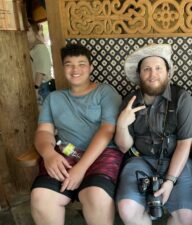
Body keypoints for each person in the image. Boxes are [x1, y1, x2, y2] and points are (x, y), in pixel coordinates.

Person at [30, 44, 124, 225]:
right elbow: (43, 132)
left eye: (81, 64)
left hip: (102, 153)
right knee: (41, 197)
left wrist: (81, 168)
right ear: (62, 68)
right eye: (69, 64)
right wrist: (48, 154)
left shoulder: (105, 92)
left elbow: (107, 130)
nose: (75, 70)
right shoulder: (54, 98)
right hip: (65, 152)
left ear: (90, 67)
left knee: (96, 196)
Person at [115, 44, 192, 225]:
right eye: (147, 69)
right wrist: (122, 125)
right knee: (127, 208)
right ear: (139, 75)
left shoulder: (181, 97)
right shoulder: (130, 101)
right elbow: (123, 146)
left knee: (185, 218)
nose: (153, 74)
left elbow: (185, 144)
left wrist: (169, 180)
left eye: (158, 68)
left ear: (168, 73)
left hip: (176, 160)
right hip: (140, 160)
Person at [27, 19, 55, 107]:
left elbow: (41, 71)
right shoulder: (33, 48)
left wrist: (36, 88)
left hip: (42, 87)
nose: (25, 33)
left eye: (28, 30)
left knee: (44, 113)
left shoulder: (39, 48)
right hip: (40, 86)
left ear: (35, 32)